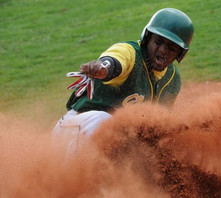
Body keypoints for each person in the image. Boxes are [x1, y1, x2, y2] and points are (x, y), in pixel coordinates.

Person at [52, 8, 194, 146]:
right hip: (77, 127)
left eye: (171, 48)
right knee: (108, 124)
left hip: (108, 140)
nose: (163, 50)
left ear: (179, 54)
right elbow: (113, 63)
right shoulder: (129, 53)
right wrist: (102, 68)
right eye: (158, 42)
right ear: (147, 38)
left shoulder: (172, 79)